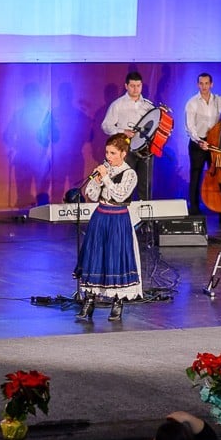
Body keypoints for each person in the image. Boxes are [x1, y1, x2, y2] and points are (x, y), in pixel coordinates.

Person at [73, 133, 142, 322]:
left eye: (113, 153)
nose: (109, 156)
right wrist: (96, 181)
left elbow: (120, 196)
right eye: (107, 152)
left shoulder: (130, 174)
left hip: (118, 219)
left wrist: (107, 179)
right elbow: (92, 195)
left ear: (123, 154)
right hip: (100, 216)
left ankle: (117, 302)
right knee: (96, 255)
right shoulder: (105, 170)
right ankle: (89, 300)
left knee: (115, 258)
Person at [184, 72, 221, 224]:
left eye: (206, 83)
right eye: (201, 84)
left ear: (211, 84)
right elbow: (190, 127)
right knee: (196, 176)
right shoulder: (192, 103)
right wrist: (199, 141)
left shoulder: (219, 100)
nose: (204, 86)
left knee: (218, 175)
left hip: (215, 142)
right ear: (198, 85)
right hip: (198, 142)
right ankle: (194, 209)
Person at [101, 71, 154, 200]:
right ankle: (123, 213)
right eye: (132, 86)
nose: (136, 89)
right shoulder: (118, 105)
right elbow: (106, 126)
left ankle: (145, 216)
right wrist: (122, 131)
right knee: (124, 180)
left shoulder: (148, 105)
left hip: (145, 148)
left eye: (138, 85)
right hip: (126, 148)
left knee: (145, 182)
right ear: (126, 86)